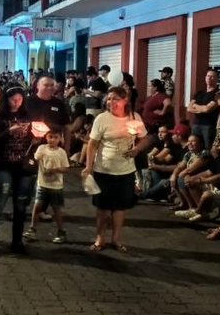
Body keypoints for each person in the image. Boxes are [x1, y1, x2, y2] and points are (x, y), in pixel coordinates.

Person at [81, 87, 148, 252]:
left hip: (126, 171)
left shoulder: (134, 117)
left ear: (125, 100)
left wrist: (137, 149)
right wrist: (88, 166)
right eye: (109, 99)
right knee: (103, 208)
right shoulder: (102, 119)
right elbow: (93, 144)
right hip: (104, 169)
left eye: (115, 99)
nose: (111, 102)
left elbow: (144, 138)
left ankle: (116, 239)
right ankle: (100, 238)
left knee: (120, 208)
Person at [0, 84, 36, 256]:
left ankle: (17, 241)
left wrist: (36, 139)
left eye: (20, 100)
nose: (17, 103)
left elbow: (31, 136)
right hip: (3, 164)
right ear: (6, 99)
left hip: (23, 166)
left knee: (20, 206)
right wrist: (8, 131)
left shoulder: (26, 115)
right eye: (14, 100)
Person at [30, 128, 70, 245]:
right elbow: (34, 159)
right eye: (50, 137)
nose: (52, 140)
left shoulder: (61, 152)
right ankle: (32, 228)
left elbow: (66, 168)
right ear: (46, 137)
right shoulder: (41, 148)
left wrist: (55, 170)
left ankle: (61, 231)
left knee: (57, 209)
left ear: (60, 138)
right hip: (42, 184)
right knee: (37, 206)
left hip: (56, 186)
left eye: (56, 137)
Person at [26, 74, 72, 147]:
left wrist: (67, 148)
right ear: (38, 85)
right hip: (30, 145)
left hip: (53, 146)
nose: (49, 88)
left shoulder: (59, 103)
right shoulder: (27, 101)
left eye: (52, 85)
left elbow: (66, 127)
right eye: (46, 85)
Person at [188, 68, 220, 148]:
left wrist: (196, 106)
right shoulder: (200, 93)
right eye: (208, 76)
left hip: (208, 125)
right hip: (195, 124)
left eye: (212, 76)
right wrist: (201, 108)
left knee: (207, 148)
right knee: (194, 147)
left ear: (217, 79)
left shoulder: (218, 93)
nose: (209, 78)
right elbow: (189, 108)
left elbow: (207, 109)